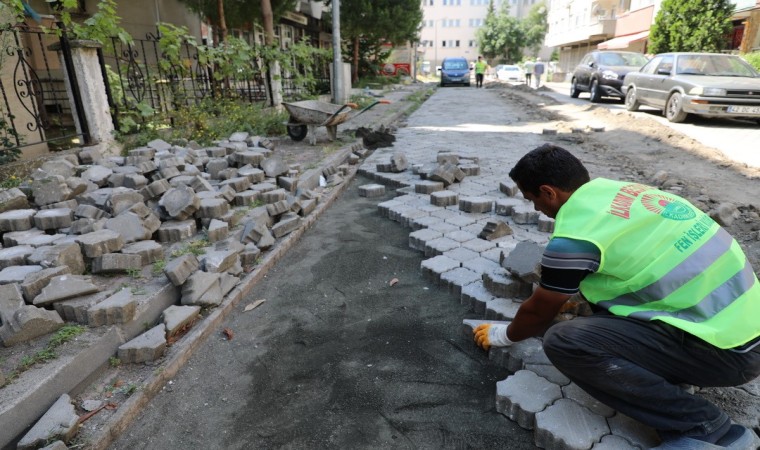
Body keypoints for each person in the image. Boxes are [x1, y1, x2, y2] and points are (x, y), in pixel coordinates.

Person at [473, 144, 760, 450]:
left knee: (564, 341)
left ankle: (705, 427)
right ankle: (669, 371)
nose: (535, 209)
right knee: (600, 307)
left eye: (532, 200)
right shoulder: (624, 192)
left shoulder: (575, 237)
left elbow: (537, 314)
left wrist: (504, 335)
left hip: (729, 353)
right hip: (743, 326)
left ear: (548, 192)